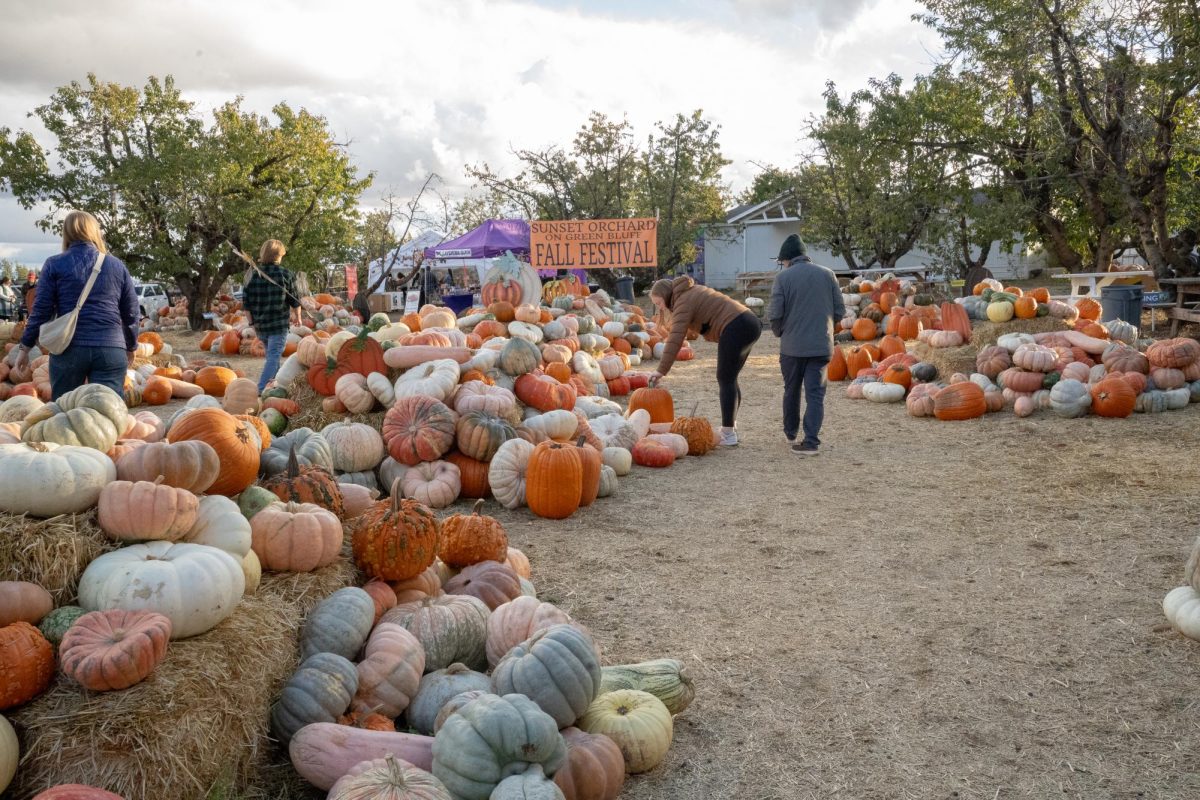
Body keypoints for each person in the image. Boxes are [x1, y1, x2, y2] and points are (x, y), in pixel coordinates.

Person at [16, 210, 139, 399]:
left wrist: (24, 347)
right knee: (108, 414)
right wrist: (131, 346)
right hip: (110, 348)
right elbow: (131, 312)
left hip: (69, 348)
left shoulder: (54, 264)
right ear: (95, 232)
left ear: (66, 233)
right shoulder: (116, 265)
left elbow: (40, 311)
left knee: (65, 412)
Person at [649, 275, 761, 446]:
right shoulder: (688, 292)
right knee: (729, 378)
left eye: (659, 303)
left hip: (736, 326)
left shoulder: (683, 302)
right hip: (749, 322)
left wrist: (661, 370)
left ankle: (728, 433)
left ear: (665, 295)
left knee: (725, 378)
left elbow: (676, 338)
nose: (660, 308)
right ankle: (730, 428)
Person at [766, 234, 846, 456]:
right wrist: (827, 329)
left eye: (781, 261)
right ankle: (811, 441)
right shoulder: (828, 275)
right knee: (815, 394)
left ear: (787, 259)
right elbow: (840, 310)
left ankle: (791, 431)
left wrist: (780, 332)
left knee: (791, 390)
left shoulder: (783, 279)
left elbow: (775, 313)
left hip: (792, 348)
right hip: (821, 347)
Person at [242, 239, 301, 392]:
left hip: (261, 326)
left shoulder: (253, 276)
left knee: (272, 357)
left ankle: (276, 387)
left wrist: (251, 324)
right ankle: (261, 390)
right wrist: (298, 317)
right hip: (278, 325)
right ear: (278, 256)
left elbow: (246, 304)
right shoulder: (285, 274)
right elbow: (295, 300)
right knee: (274, 357)